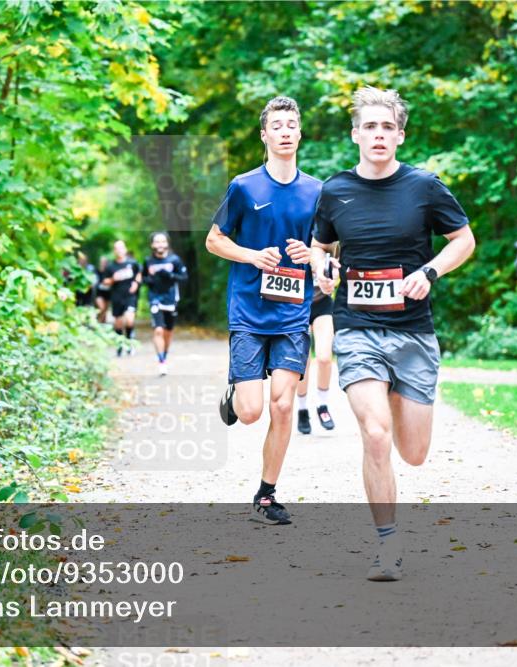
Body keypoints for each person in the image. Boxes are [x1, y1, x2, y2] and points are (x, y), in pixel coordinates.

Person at [309, 86, 475, 581]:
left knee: (414, 453)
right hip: (357, 327)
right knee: (376, 434)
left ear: (400, 136)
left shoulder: (424, 187)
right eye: (370, 126)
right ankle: (387, 543)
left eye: (388, 127)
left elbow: (463, 240)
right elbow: (320, 247)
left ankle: (400, 429)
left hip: (413, 333)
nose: (378, 134)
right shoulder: (335, 190)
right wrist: (323, 269)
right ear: (355, 134)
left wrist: (430, 272)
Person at [206, 95, 321, 526]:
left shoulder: (317, 191)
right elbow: (214, 240)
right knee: (252, 411)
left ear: (300, 133)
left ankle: (267, 494)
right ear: (264, 135)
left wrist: (313, 255)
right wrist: (252, 256)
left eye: (291, 125)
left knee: (283, 406)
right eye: (277, 126)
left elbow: (329, 249)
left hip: (293, 312)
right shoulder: (244, 186)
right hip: (249, 311)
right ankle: (235, 396)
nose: (285, 132)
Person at [295, 243, 339, 434]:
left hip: (322, 304)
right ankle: (302, 409)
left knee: (324, 358)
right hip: (297, 305)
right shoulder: (294, 236)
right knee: (303, 361)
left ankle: (323, 405)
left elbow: (338, 268)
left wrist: (333, 277)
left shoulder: (327, 238)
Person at [143, 231, 189, 376]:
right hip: (155, 298)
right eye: (157, 242)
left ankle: (164, 354)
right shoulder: (148, 261)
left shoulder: (174, 260)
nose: (160, 244)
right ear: (152, 244)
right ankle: (161, 361)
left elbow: (184, 277)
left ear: (167, 243)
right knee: (158, 330)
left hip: (171, 298)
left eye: (163, 241)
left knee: (168, 332)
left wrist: (170, 275)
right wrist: (149, 280)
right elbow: (143, 278)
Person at [103, 240, 141, 356]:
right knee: (118, 323)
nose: (119, 250)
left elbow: (139, 274)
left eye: (121, 248)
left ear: (125, 249)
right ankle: (120, 345)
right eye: (117, 248)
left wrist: (136, 283)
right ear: (114, 251)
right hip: (117, 297)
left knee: (129, 320)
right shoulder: (110, 266)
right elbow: (105, 281)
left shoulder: (133, 263)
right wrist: (113, 279)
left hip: (130, 296)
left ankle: (129, 342)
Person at [94, 256, 111, 324]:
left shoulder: (109, 271)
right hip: (99, 293)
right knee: (101, 308)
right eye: (102, 262)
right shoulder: (96, 271)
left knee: (105, 310)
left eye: (105, 262)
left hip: (108, 293)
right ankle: (98, 322)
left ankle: (102, 324)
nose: (103, 263)